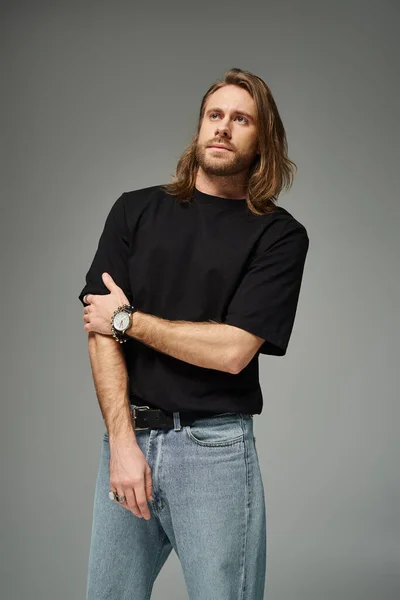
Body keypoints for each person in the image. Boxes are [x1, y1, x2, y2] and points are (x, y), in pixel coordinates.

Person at [78, 67, 309, 600]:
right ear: (200, 127)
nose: (223, 128)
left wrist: (127, 320)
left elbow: (232, 352)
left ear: (263, 140)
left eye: (241, 119)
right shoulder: (134, 210)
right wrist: (121, 444)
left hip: (215, 453)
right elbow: (98, 330)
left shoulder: (278, 235)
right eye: (215, 115)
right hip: (127, 439)